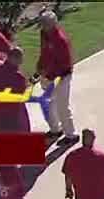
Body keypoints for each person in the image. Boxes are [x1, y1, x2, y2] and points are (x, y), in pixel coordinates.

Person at [35, 11, 76, 143]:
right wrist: (40, 67)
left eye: (44, 23)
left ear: (52, 24)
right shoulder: (44, 34)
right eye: (41, 23)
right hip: (48, 76)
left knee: (62, 106)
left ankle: (71, 135)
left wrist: (50, 76)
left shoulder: (60, 40)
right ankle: (55, 129)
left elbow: (65, 64)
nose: (42, 26)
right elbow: (44, 52)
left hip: (61, 77)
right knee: (49, 103)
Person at [0, 47, 30, 133]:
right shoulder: (18, 77)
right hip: (11, 118)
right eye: (20, 58)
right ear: (13, 59)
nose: (21, 61)